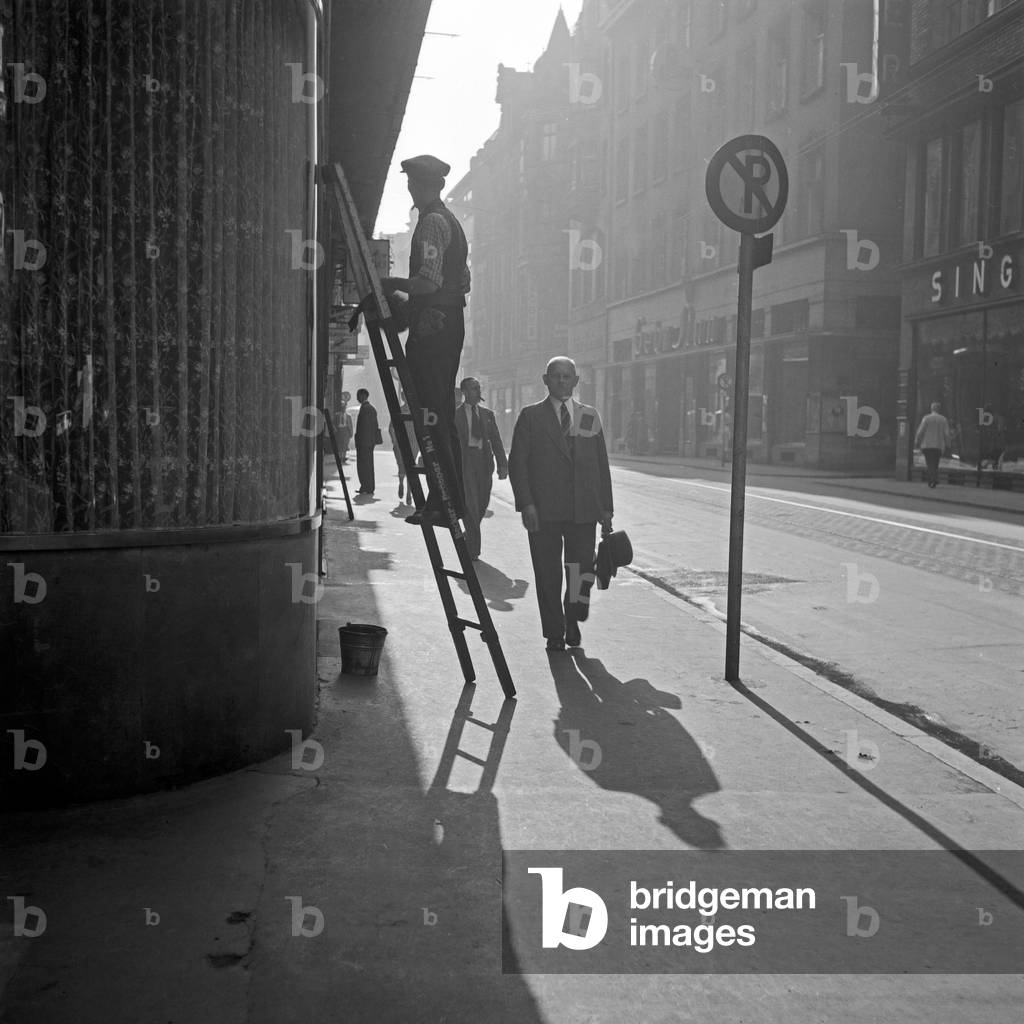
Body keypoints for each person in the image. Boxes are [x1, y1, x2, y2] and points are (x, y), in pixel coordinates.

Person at [380, 154, 470, 528]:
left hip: (433, 327)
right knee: (439, 416)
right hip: (448, 324)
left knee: (431, 416)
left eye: (412, 183)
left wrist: (392, 284)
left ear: (421, 185)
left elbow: (429, 282)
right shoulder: (451, 221)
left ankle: (446, 503)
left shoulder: (432, 223)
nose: (410, 189)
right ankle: (445, 500)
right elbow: (461, 277)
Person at [509, 357, 613, 652]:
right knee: (548, 573)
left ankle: (572, 618)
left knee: (582, 571)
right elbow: (518, 463)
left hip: (584, 509)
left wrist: (607, 508)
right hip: (543, 511)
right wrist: (526, 503)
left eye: (567, 376)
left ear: (576, 381)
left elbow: (600, 464)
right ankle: (555, 632)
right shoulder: (531, 417)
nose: (562, 381)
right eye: (556, 376)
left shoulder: (587, 415)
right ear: (545, 380)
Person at [456, 376, 508, 560]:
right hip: (466, 462)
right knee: (470, 504)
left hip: (484, 463)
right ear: (464, 392)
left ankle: (468, 535)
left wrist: (503, 465)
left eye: (478, 388)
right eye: (472, 388)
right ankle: (474, 550)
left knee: (482, 504)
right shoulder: (456, 415)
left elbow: (496, 440)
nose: (476, 392)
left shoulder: (487, 415)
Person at [389, 398, 419, 505]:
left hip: (413, 443)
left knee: (410, 467)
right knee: (402, 466)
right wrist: (395, 441)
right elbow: (391, 427)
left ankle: (409, 493)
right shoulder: (398, 411)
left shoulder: (417, 410)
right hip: (401, 443)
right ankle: (401, 483)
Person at [914, 401, 951, 488]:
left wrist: (917, 441)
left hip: (927, 445)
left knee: (929, 463)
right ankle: (933, 479)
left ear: (931, 409)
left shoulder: (926, 418)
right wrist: (948, 444)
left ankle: (932, 480)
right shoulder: (943, 419)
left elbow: (920, 432)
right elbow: (947, 434)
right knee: (935, 463)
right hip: (938, 445)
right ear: (939, 409)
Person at [354, 388, 379, 495]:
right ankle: (369, 486)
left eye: (358, 396)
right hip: (369, 442)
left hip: (364, 442)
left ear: (363, 396)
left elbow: (364, 428)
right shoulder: (371, 409)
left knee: (363, 465)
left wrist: (359, 441)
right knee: (369, 465)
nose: (357, 398)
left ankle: (365, 486)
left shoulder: (365, 409)